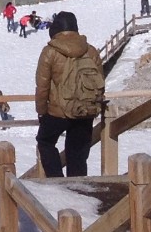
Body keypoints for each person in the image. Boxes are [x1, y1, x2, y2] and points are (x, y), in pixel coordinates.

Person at [34, 10, 105, 178]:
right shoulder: (91, 50)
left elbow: (42, 86)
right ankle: (78, 191)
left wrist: (42, 111)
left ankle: (57, 183)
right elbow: (100, 82)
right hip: (84, 111)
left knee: (45, 142)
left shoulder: (50, 52)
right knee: (78, 153)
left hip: (58, 112)